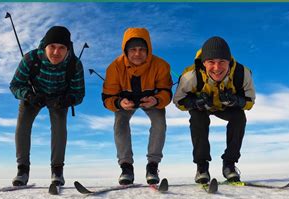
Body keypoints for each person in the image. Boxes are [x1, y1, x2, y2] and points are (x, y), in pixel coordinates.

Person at [173, 36, 256, 184]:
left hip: (225, 106)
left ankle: (229, 165)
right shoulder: (190, 76)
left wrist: (236, 100)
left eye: (222, 62)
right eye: (211, 62)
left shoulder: (242, 74)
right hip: (202, 107)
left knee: (239, 117)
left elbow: (250, 102)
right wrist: (195, 102)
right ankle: (202, 167)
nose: (217, 68)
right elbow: (178, 101)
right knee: (198, 119)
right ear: (204, 63)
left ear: (229, 62)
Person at [9, 26, 85, 186]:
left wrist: (67, 100)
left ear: (67, 49)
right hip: (34, 95)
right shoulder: (30, 59)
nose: (56, 52)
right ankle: (22, 170)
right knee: (22, 125)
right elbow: (15, 85)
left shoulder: (74, 64)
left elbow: (78, 93)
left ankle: (57, 171)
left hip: (59, 98)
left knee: (59, 128)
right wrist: (28, 95)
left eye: (61, 48)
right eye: (52, 47)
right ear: (45, 46)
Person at [102, 27, 173, 185]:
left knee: (159, 121)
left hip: (151, 100)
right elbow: (108, 97)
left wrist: (156, 100)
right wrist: (119, 103)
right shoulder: (114, 68)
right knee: (120, 122)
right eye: (132, 49)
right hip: (126, 102)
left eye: (142, 49)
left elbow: (166, 92)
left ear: (148, 49)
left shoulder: (161, 65)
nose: (137, 53)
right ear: (125, 51)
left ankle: (152, 166)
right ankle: (126, 167)